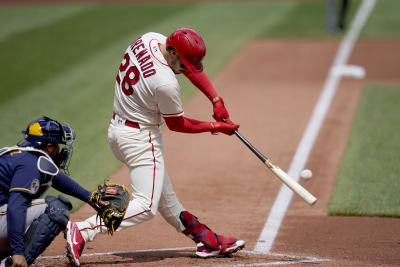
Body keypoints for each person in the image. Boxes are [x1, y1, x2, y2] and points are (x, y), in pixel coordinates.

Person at [65, 27, 244, 266]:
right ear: (171, 52)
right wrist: (216, 126)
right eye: (183, 64)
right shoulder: (165, 84)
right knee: (147, 206)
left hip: (118, 130)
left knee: (165, 199)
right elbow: (177, 124)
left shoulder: (151, 39)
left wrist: (215, 99)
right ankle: (83, 230)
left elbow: (188, 69)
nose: (185, 70)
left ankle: (207, 240)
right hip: (140, 139)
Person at [0, 116, 102, 267]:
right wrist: (18, 252)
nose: (60, 150)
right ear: (49, 146)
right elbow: (16, 207)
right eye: (58, 145)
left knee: (35, 206)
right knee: (56, 208)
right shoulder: (29, 165)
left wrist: (91, 198)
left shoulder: (21, 156)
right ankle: (11, 264)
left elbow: (57, 179)